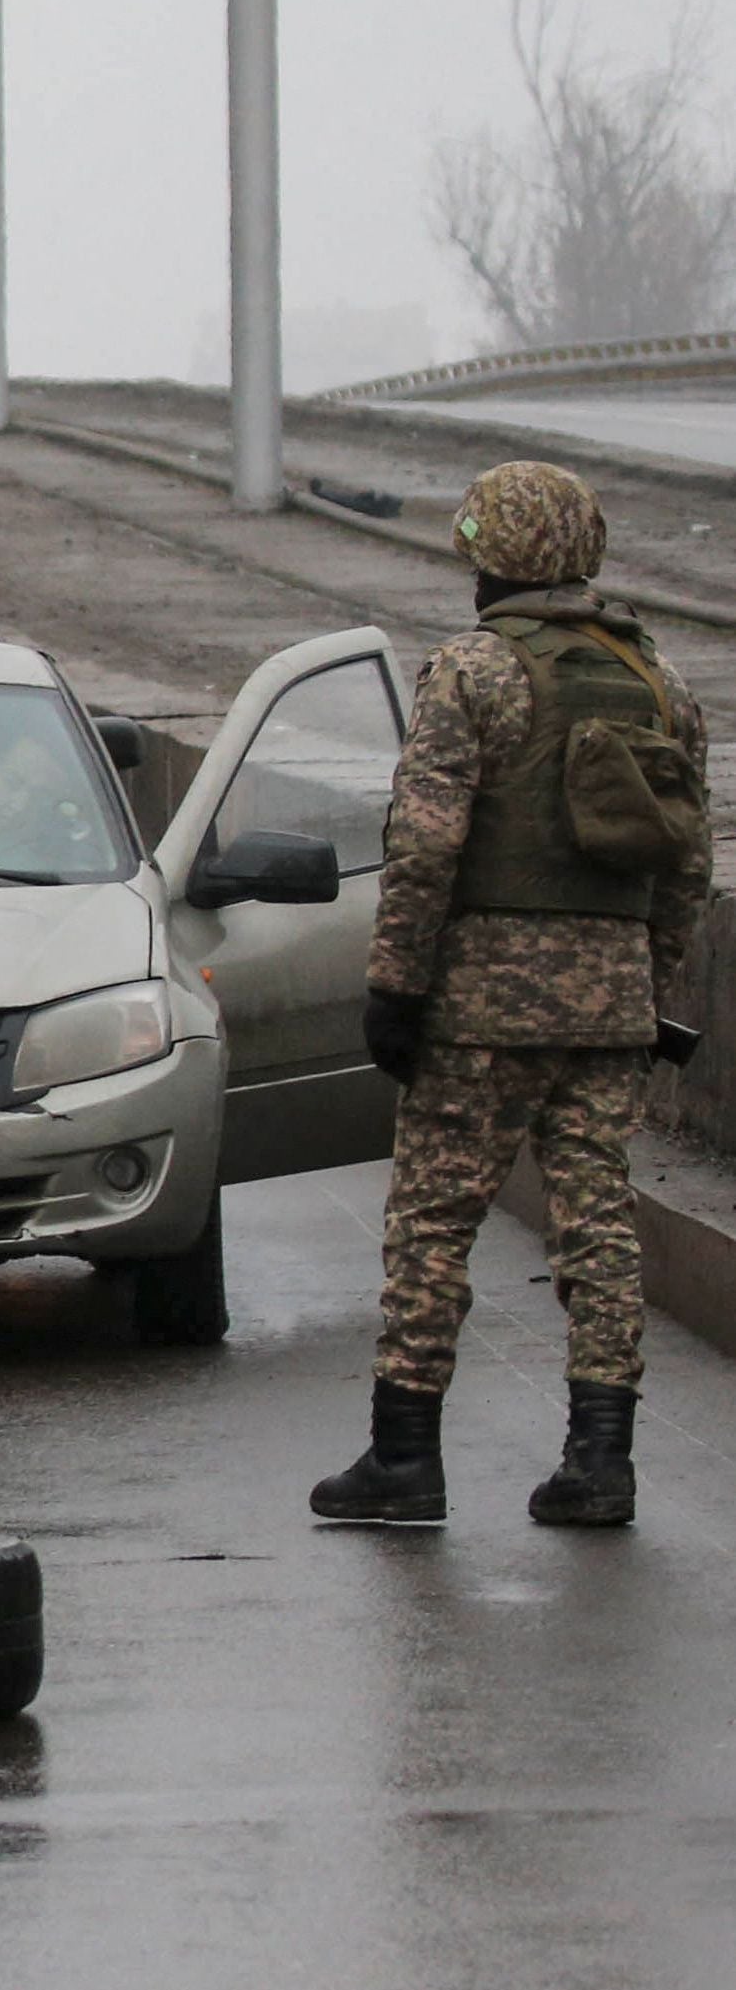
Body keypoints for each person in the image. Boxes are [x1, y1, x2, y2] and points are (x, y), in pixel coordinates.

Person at [314, 461, 711, 1528]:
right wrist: (648, 978)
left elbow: (424, 841)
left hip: (480, 1007)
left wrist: (395, 982)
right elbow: (684, 867)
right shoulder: (657, 682)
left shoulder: (470, 673)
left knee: (431, 1221)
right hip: (608, 1008)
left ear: (489, 558)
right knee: (597, 1224)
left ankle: (403, 1459)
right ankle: (600, 1462)